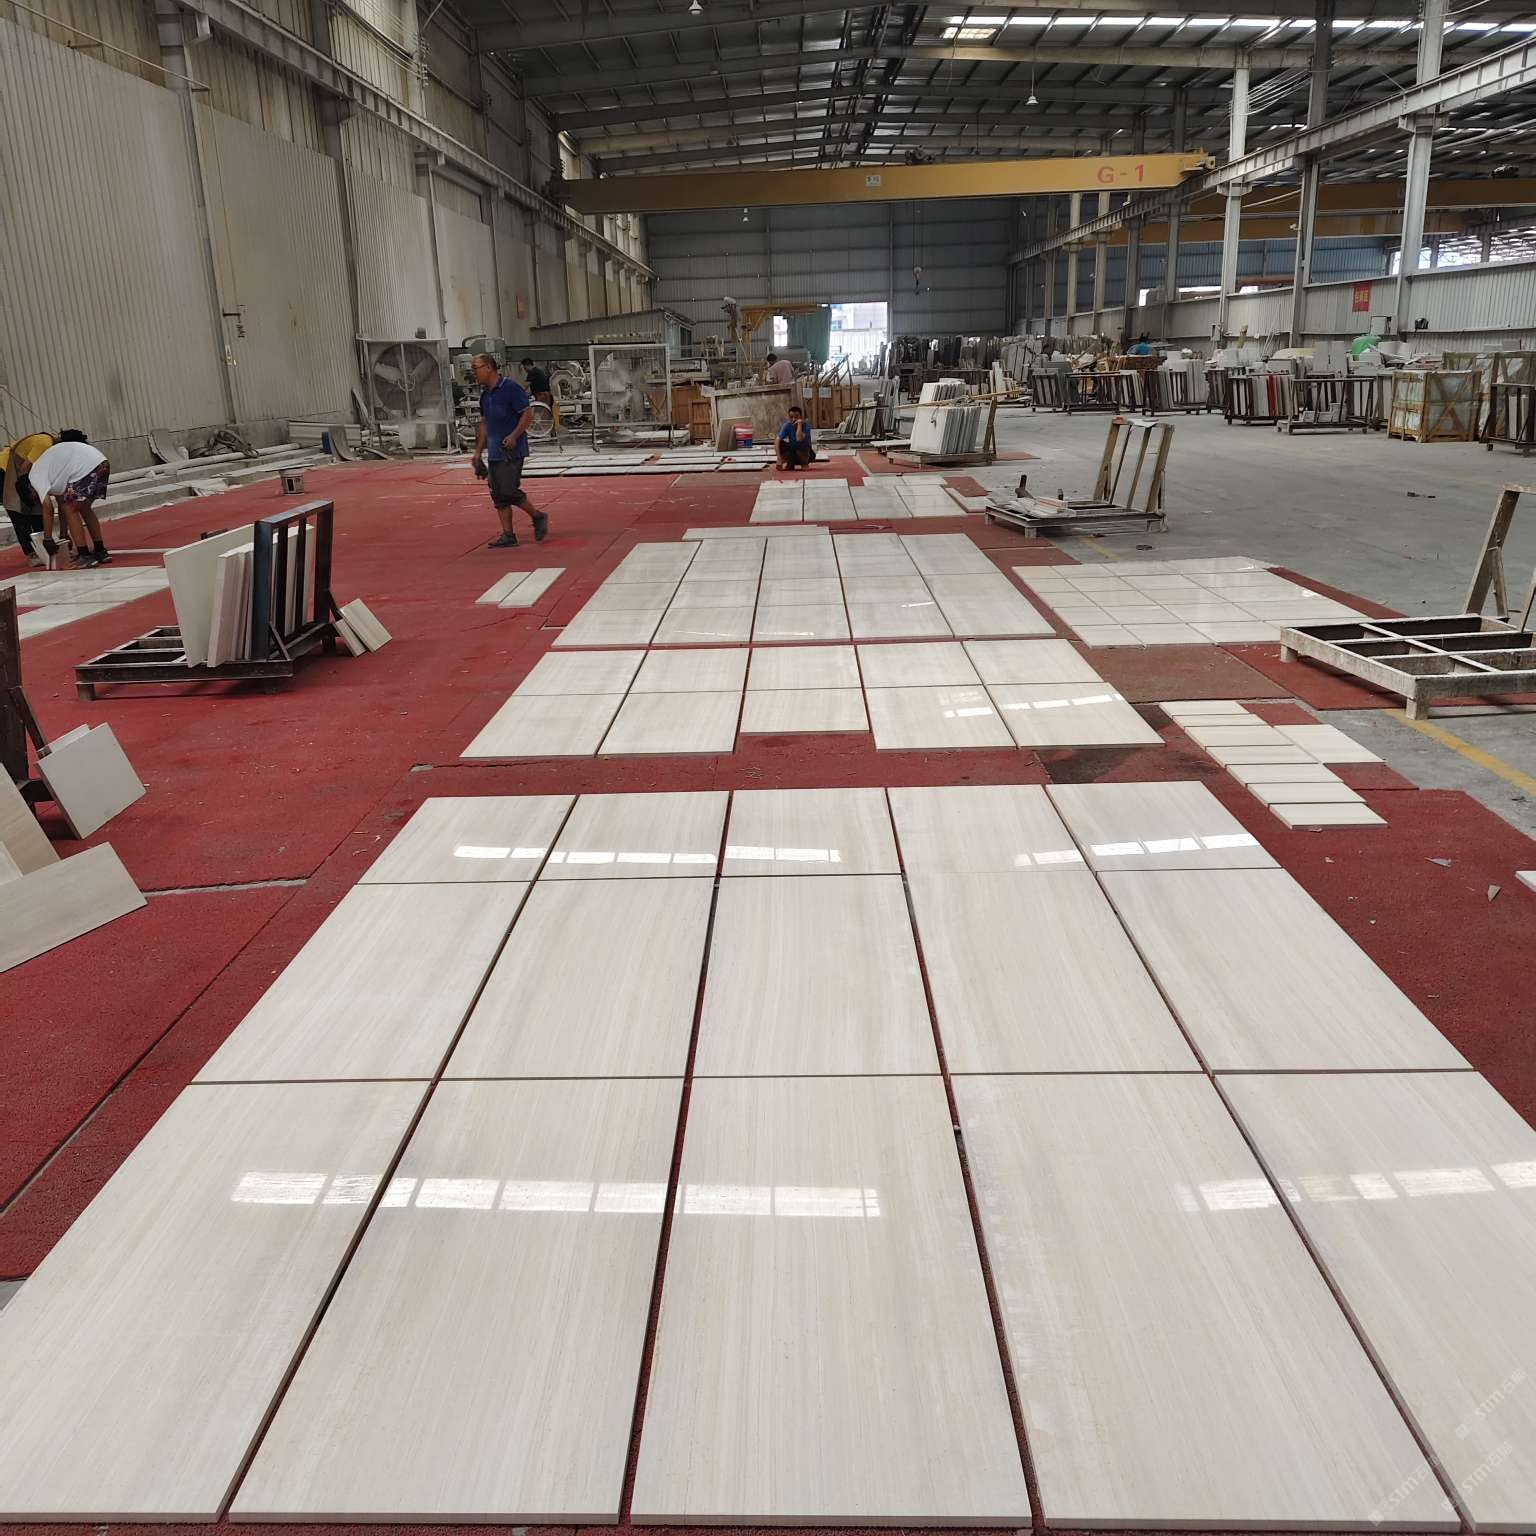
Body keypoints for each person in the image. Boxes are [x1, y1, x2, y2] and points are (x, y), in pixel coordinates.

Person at [470, 353, 548, 548]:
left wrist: (514, 436)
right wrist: (478, 452)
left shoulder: (511, 389)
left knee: (508, 489)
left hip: (511, 451)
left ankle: (537, 515)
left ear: (489, 367)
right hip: (494, 452)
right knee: (497, 493)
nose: (473, 373)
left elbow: (527, 414)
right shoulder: (485, 396)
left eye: (475, 368)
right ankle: (508, 534)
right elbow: (485, 424)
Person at [26, 429, 111, 567]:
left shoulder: (35, 476)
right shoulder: (52, 474)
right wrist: (63, 534)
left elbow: (48, 507)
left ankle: (84, 555)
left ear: (30, 489)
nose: (37, 498)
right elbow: (61, 504)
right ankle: (100, 550)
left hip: (85, 468)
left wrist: (47, 539)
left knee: (70, 509)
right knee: (84, 508)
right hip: (101, 463)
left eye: (34, 497)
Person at [1, 429, 56, 565]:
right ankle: (32, 553)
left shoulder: (47, 444)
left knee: (36, 509)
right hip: (6, 471)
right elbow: (24, 468)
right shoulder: (45, 444)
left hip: (21, 474)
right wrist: (31, 489)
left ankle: (41, 548)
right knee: (17, 510)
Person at [520, 356, 559, 441]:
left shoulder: (532, 372)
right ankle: (550, 432)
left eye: (524, 367)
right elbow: (537, 386)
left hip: (542, 396)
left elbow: (525, 386)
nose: (524, 370)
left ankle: (539, 432)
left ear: (527, 365)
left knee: (540, 415)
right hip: (546, 395)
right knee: (545, 414)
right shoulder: (538, 371)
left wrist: (518, 393)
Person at [776, 405, 814, 470]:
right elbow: (777, 440)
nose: (793, 419)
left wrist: (799, 425)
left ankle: (804, 464)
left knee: (803, 443)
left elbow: (799, 439)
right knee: (781, 443)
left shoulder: (806, 425)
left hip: (806, 454)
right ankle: (790, 463)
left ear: (801, 417)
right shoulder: (787, 425)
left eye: (796, 417)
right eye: (791, 417)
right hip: (793, 453)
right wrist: (779, 458)